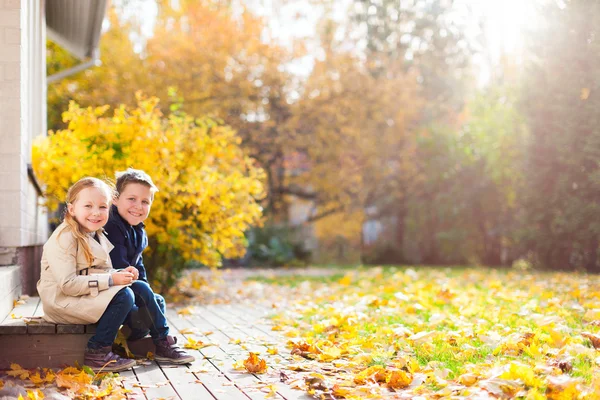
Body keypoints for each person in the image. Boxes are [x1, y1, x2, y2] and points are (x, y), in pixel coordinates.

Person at [37, 177, 137, 372]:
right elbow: (68, 284)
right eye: (88, 206)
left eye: (102, 207)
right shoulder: (64, 238)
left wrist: (119, 273)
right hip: (62, 300)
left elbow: (96, 271)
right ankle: (97, 351)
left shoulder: (95, 233)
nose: (96, 213)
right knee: (124, 296)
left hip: (79, 294)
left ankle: (152, 339)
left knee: (138, 290)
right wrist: (111, 279)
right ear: (72, 209)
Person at [104, 168, 194, 364]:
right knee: (144, 291)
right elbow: (119, 267)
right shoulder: (112, 225)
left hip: (127, 290)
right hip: (109, 290)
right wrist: (142, 290)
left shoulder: (138, 230)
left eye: (145, 202)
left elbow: (139, 267)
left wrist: (146, 297)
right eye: (132, 199)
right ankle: (162, 341)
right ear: (116, 199)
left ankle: (135, 341)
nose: (138, 206)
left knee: (157, 300)